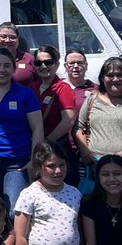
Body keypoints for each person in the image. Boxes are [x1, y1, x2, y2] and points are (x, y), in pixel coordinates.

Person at [0, 49, 44, 215]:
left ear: (14, 69)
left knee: (14, 211)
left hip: (18, 162)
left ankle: (15, 233)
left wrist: (34, 160)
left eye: (7, 66)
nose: (2, 69)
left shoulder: (26, 94)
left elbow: (37, 128)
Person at [28, 46, 76, 180]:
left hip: (57, 149)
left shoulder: (63, 89)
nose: (43, 66)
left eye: (48, 62)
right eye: (38, 63)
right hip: (35, 150)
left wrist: (46, 142)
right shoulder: (31, 88)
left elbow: (68, 120)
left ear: (57, 64)